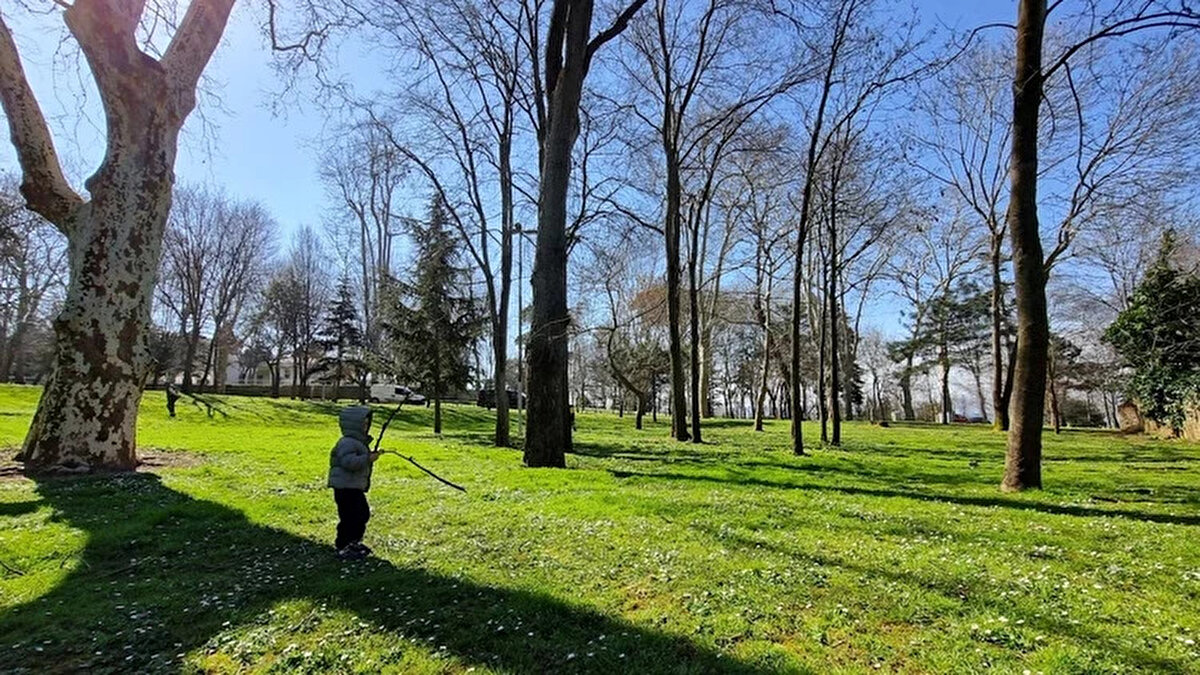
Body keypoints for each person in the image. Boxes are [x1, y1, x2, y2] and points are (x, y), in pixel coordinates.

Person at [327, 406, 379, 561]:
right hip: (345, 488)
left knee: (362, 514)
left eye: (367, 424)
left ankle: (355, 542)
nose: (366, 427)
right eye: (363, 424)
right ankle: (344, 546)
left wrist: (369, 455)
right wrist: (367, 459)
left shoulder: (358, 443)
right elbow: (348, 462)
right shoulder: (347, 443)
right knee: (350, 517)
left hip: (354, 486)